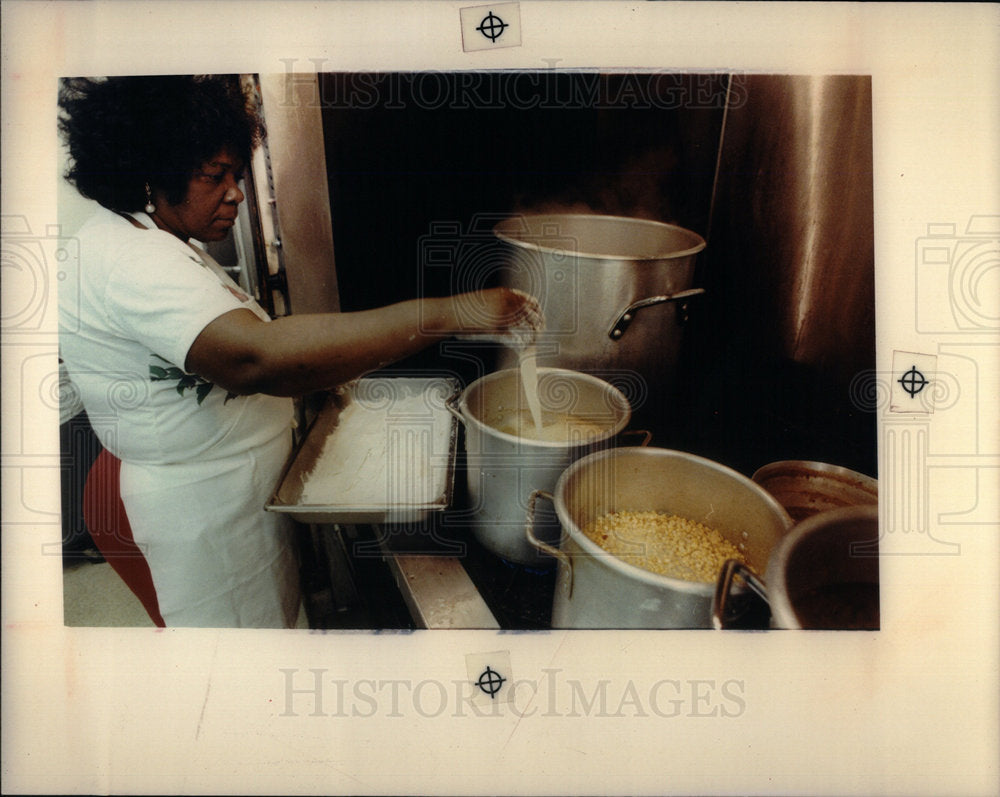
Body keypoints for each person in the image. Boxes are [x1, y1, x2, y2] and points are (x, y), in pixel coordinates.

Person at [57, 75, 541, 629]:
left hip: (230, 498)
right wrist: (453, 313)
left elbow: (266, 344)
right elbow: (256, 359)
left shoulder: (150, 241)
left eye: (236, 175)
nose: (235, 193)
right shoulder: (130, 261)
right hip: (203, 518)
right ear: (150, 172)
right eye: (216, 176)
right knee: (237, 671)